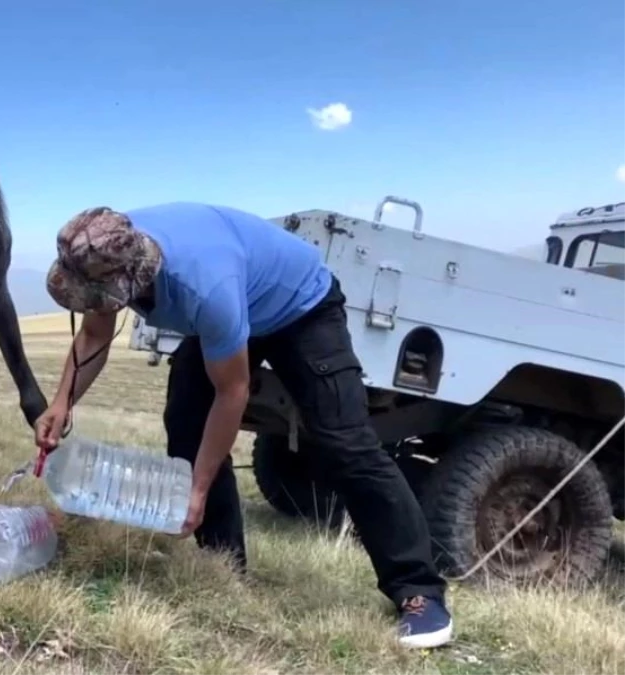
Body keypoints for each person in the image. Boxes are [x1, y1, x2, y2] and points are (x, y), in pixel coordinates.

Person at [33, 202, 453, 649]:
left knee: (344, 445)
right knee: (185, 423)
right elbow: (96, 334)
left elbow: (232, 392)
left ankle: (419, 592)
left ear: (135, 277)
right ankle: (223, 563)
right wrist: (63, 402)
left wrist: (196, 489)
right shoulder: (99, 249)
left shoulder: (204, 287)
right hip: (241, 298)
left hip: (301, 307)